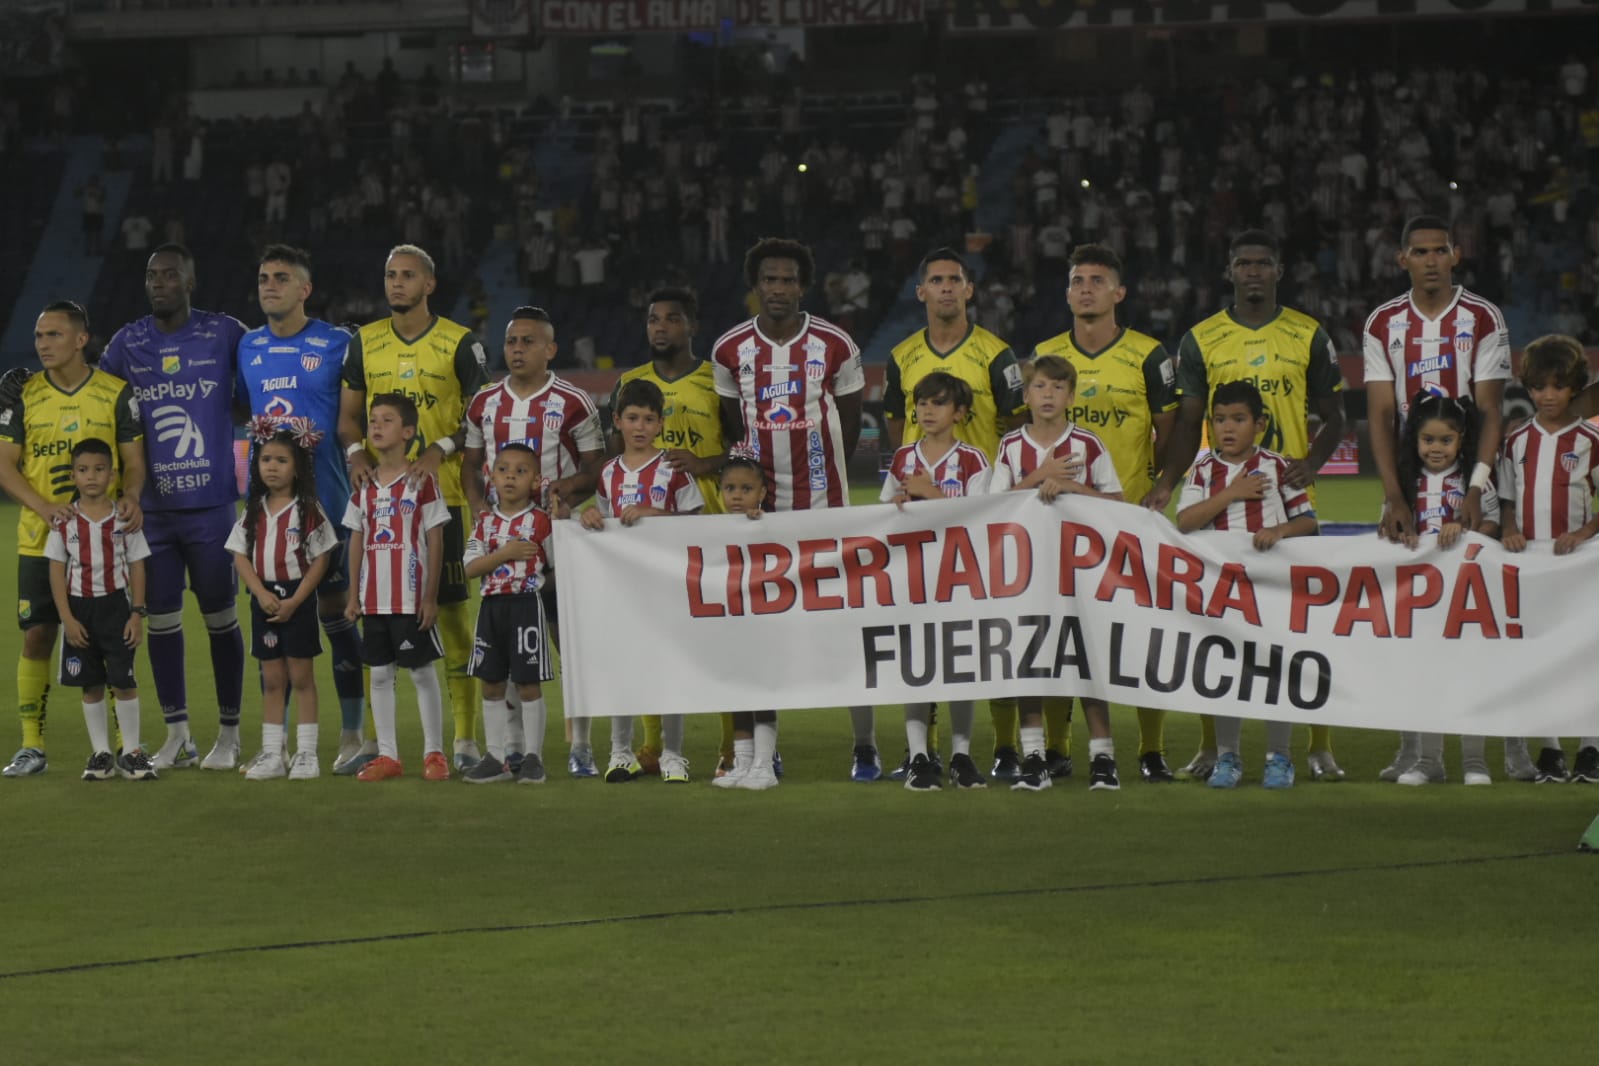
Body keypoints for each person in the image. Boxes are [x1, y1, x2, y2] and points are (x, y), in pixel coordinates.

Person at [1150, 229, 1347, 782]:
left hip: (1283, 498)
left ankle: (1316, 747)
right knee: (1222, 636)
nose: (1253, 271)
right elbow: (1190, 422)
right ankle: (1218, 750)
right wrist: (1170, 480)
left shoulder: (1307, 333)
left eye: (1263, 263)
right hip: (1222, 506)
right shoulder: (1201, 338)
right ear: (1231, 271)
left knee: (1298, 636)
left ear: (1278, 270)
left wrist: (1314, 461)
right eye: (1244, 263)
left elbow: (1336, 414)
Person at [712, 237, 871, 781]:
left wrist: (825, 478)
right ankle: (764, 752)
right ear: (755, 286)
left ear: (802, 286)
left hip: (827, 510)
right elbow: (737, 431)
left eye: (787, 280)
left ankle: (866, 747)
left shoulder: (834, 343)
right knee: (761, 634)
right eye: (769, 279)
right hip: (761, 517)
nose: (777, 289)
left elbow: (849, 424)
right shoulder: (730, 349)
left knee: (847, 631)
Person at [339, 244, 487, 773]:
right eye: (389, 276)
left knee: (449, 625)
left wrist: (439, 448)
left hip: (438, 498)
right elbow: (349, 418)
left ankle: (463, 740)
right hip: (381, 505)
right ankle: (388, 750)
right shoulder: (364, 342)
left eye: (407, 276)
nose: (396, 284)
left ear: (429, 284)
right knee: (380, 632)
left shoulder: (460, 343)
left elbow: (480, 415)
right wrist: (357, 454)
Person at [99, 244, 247, 771]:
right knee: (159, 622)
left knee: (221, 619)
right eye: (151, 275)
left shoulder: (225, 332)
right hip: (151, 513)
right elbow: (100, 400)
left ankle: (229, 735)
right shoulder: (127, 343)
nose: (158, 283)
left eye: (169, 275)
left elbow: (250, 394)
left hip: (210, 508)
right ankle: (177, 734)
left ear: (190, 281)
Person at [1036, 242, 1180, 784]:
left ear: (1119, 292)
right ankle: (1055, 747)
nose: (1087, 288)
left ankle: (1151, 749)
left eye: (1098, 280)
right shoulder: (1047, 352)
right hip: (1059, 521)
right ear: (1068, 291)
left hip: (1128, 517)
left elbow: (1168, 431)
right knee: (1059, 634)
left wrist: (1159, 487)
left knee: (1140, 635)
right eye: (1078, 280)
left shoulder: (1147, 354)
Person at [882, 247, 1026, 782]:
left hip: (982, 517)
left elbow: (1015, 427)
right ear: (920, 292)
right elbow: (899, 435)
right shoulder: (901, 356)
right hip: (923, 529)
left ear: (969, 290)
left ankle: (1005, 747)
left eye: (954, 280)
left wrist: (993, 491)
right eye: (935, 280)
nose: (945, 288)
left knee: (990, 639)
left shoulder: (998, 353)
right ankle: (926, 751)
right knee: (926, 641)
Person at [238, 244, 371, 774]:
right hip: (267, 513)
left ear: (305, 289)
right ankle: (276, 748)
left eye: (281, 278)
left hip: (328, 506)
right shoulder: (247, 347)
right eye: (264, 277)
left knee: (335, 615)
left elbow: (361, 414)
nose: (269, 285)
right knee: (273, 617)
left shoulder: (339, 343)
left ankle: (354, 734)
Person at [0, 301, 145, 778]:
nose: (43, 344)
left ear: (81, 339)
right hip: (39, 539)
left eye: (54, 335)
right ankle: (32, 746)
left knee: (111, 641)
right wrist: (44, 509)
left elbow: (134, 461)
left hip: (105, 544)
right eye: (39, 336)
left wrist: (132, 494)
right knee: (37, 635)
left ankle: (124, 747)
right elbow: (5, 465)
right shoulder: (22, 395)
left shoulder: (116, 394)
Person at [462, 305, 603, 777]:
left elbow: (595, 468)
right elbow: (469, 464)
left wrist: (564, 492)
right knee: (502, 655)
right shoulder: (483, 402)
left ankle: (580, 745)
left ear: (550, 349)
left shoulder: (573, 401)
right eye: (511, 342)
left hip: (556, 546)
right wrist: (481, 513)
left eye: (528, 341)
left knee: (570, 647)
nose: (517, 349)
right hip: (502, 549)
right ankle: (513, 749)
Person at [611, 287, 738, 774]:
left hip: (708, 527)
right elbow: (615, 457)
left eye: (671, 319)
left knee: (719, 644)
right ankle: (651, 744)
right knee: (650, 644)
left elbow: (747, 446)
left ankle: (732, 746)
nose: (660, 327)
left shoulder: (715, 379)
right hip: (647, 541)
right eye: (653, 320)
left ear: (691, 327)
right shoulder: (631, 383)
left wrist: (706, 462)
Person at [988, 355, 1124, 792]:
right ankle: (1033, 758)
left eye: (1057, 387)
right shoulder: (1010, 447)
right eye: (1040, 386)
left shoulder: (1088, 445)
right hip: (1026, 573)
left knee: (1087, 662)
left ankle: (1103, 759)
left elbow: (1120, 508)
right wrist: (1039, 476)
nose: (1048, 394)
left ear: (1071, 394)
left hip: (1080, 573)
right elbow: (992, 508)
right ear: (1025, 395)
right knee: (1029, 659)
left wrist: (1071, 486)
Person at [1176, 380, 1318, 789]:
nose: (1228, 428)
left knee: (1276, 670)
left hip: (1271, 586)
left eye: (1238, 419)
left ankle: (1279, 758)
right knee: (1226, 670)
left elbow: (1308, 521)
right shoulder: (1203, 470)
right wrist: (1232, 493)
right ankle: (1228, 758)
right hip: (1222, 589)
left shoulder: (1277, 467)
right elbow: (1185, 522)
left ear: (1259, 424)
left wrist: (1280, 530)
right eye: (1220, 420)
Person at [576, 379, 705, 783]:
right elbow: (600, 521)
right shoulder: (608, 473)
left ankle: (673, 754)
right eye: (632, 418)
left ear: (660, 423)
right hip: (620, 587)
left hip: (664, 584)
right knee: (622, 668)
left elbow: (697, 524)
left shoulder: (674, 469)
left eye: (649, 419)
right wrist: (589, 517)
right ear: (617, 420)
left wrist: (657, 515)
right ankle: (620, 752)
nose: (640, 426)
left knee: (668, 668)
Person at [1377, 393, 1503, 787]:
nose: (1436, 448)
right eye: (1428, 440)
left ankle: (1475, 762)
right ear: (1415, 440)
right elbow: (1386, 530)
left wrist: (1465, 531)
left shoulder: (1473, 487)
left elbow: (1493, 525)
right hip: (1420, 603)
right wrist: (1398, 534)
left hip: (1466, 599)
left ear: (1461, 439)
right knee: (1426, 679)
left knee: (1468, 677)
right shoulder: (1403, 486)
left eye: (1445, 440)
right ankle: (1429, 761)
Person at [1364, 215, 1510, 542]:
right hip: (1410, 477)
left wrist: (1475, 488)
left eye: (1440, 251)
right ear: (1402, 259)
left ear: (1456, 255)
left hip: (1475, 476)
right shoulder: (1382, 322)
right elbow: (1382, 414)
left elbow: (1489, 410)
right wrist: (1394, 496)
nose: (1431, 262)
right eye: (1419, 253)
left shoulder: (1483, 316)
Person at [879, 371, 990, 792]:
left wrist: (930, 493)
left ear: (960, 413)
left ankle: (961, 756)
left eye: (938, 403)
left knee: (960, 665)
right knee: (917, 666)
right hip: (913, 575)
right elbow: (884, 514)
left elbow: (984, 519)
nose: (927, 410)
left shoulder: (974, 461)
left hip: (960, 577)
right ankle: (919, 756)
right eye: (922, 402)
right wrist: (899, 504)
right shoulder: (903, 458)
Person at [1496, 335, 1599, 785]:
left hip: (1582, 567)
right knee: (1539, 658)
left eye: (1558, 386)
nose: (1548, 396)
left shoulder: (1592, 440)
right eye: (1539, 387)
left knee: (1585, 659)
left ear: (1575, 387)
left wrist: (1582, 533)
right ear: (1528, 388)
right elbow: (1506, 500)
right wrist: (1511, 531)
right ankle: (1551, 749)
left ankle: (1591, 747)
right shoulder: (1517, 441)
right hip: (1534, 569)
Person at [342, 393, 452, 782]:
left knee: (421, 673)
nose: (376, 426)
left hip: (409, 597)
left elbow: (435, 540)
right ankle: (388, 755)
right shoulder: (364, 483)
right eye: (373, 419)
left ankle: (435, 754)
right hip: (374, 600)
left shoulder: (422, 481)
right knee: (380, 675)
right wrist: (353, 594)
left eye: (386, 420)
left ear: (408, 432)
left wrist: (429, 596)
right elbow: (356, 538)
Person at [228, 422, 338, 781]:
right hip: (264, 602)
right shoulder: (253, 510)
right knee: (272, 678)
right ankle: (273, 754)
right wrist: (260, 593)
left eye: (281, 460)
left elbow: (321, 558)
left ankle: (307, 753)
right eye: (265, 459)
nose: (271, 467)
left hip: (297, 600)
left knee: (302, 677)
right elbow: (240, 555)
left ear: (298, 468)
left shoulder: (307, 510)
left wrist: (297, 600)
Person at [45, 439, 154, 782]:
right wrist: (66, 618)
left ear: (111, 474)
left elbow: (137, 565)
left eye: (99, 469)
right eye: (83, 470)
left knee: (124, 680)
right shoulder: (64, 521)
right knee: (89, 682)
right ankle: (101, 754)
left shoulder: (124, 519)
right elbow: (56, 570)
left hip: (116, 608)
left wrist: (137, 612)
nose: (91, 476)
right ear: (73, 476)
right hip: (78, 611)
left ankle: (133, 753)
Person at [461, 443, 556, 785]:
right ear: (491, 476)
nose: (510, 477)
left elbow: (557, 564)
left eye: (520, 471)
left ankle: (533, 757)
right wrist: (506, 553)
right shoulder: (485, 522)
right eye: (503, 470)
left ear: (535, 480)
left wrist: (537, 579)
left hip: (526, 606)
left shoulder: (542, 522)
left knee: (528, 683)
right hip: (491, 609)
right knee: (491, 683)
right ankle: (495, 756)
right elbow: (471, 568)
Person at [710, 453, 781, 791]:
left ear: (763, 493)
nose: (737, 496)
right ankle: (742, 762)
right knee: (736, 690)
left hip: (764, 624)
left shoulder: (769, 525)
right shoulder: (711, 529)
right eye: (729, 488)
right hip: (730, 624)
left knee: (761, 690)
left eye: (746, 488)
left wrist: (761, 523)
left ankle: (765, 764)